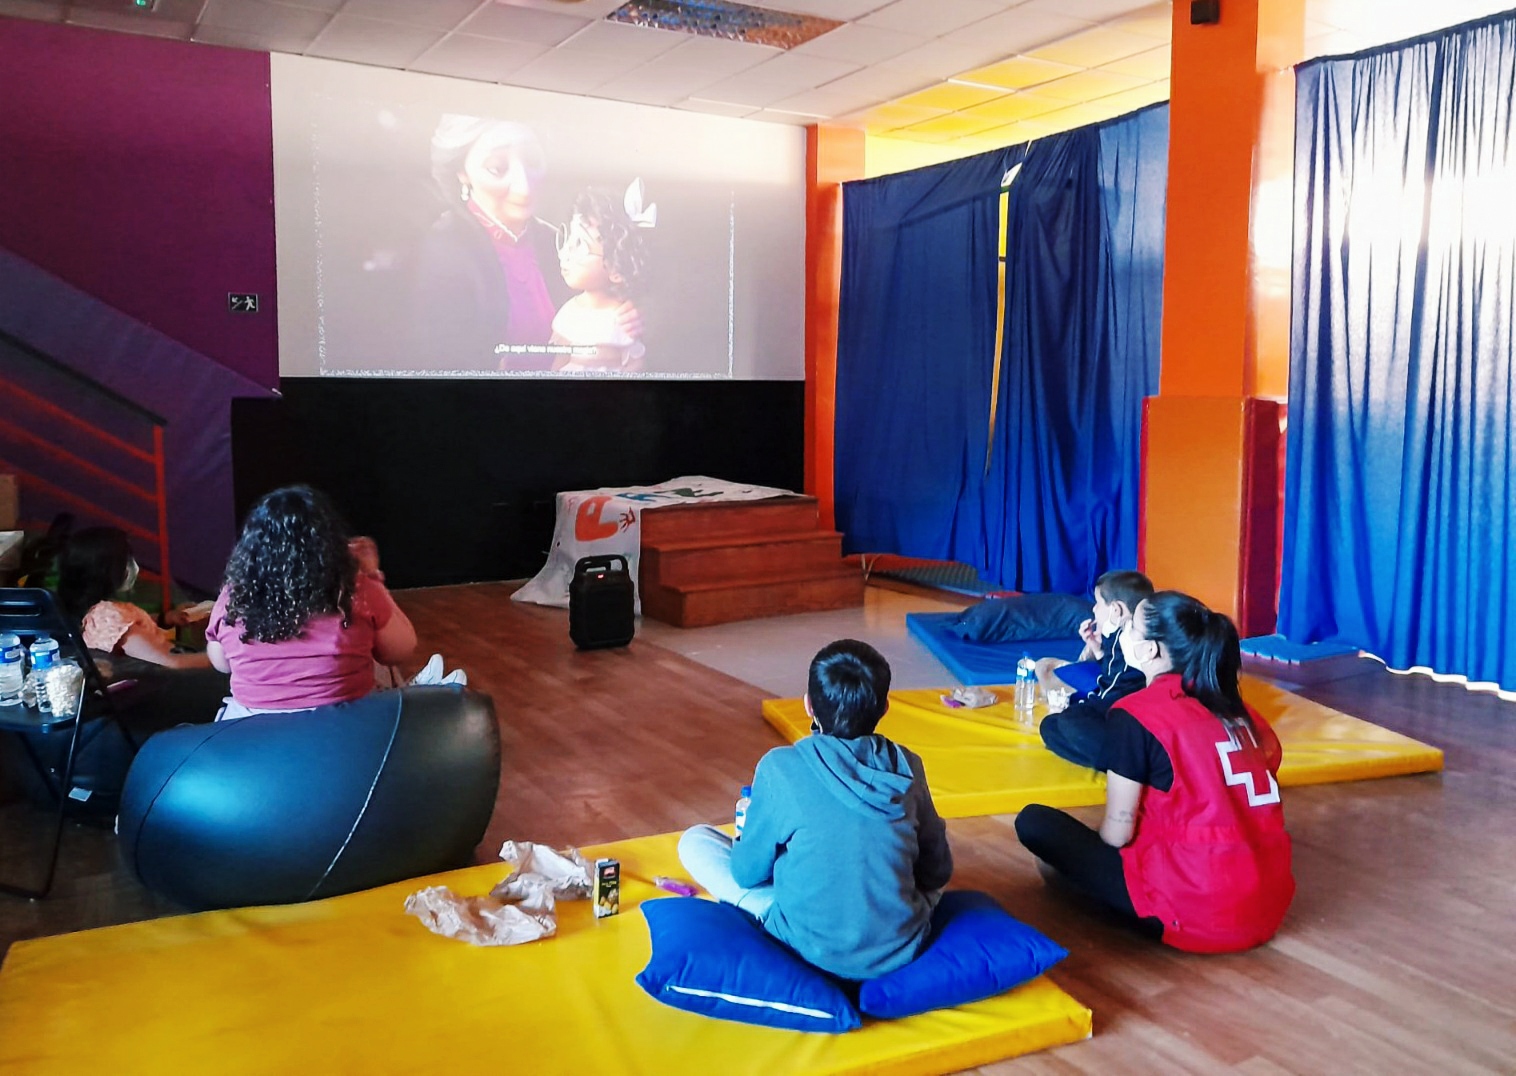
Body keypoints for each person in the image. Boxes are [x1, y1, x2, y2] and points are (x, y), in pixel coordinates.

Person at [1015, 592, 1295, 953]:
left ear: (1150, 652)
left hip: (1194, 912)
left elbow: (1117, 833)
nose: (1124, 633)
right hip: (1268, 907)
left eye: (1130, 627)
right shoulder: (1244, 712)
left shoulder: (1137, 713)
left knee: (1035, 822)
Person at [677, 639, 953, 980]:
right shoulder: (909, 764)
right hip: (900, 946)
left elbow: (746, 874)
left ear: (808, 705)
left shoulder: (780, 767)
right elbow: (937, 872)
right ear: (884, 708)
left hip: (807, 946)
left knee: (694, 841)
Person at [411, 115, 641, 371]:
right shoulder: (445, 246)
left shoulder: (553, 240)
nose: (524, 186)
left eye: (532, 161)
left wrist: (629, 312)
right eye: (497, 168)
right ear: (462, 173)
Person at [205, 486, 435, 720]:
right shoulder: (356, 589)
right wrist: (373, 575)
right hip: (341, 729)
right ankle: (423, 694)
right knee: (378, 660)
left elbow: (221, 663)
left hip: (252, 732)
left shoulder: (233, 597)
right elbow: (400, 650)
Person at [1036, 569, 1153, 769]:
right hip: (1123, 716)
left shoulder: (1129, 639)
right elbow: (1117, 673)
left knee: (1067, 721)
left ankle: (1125, 765)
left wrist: (1079, 708)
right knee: (1052, 726)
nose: (1094, 610)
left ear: (1116, 610)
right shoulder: (1118, 636)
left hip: (1132, 721)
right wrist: (1097, 649)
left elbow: (1113, 692)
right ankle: (1115, 761)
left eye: (1098, 604)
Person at [56, 526, 211, 672]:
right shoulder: (105, 616)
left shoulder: (102, 613)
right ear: (104, 570)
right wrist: (227, 657)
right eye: (126, 560)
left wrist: (167, 618)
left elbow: (129, 627)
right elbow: (173, 662)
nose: (134, 566)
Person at [550, 183, 652, 374]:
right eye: (568, 239)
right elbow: (560, 359)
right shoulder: (570, 311)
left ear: (616, 269)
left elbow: (635, 364)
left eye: (580, 244)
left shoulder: (622, 318)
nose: (565, 253)